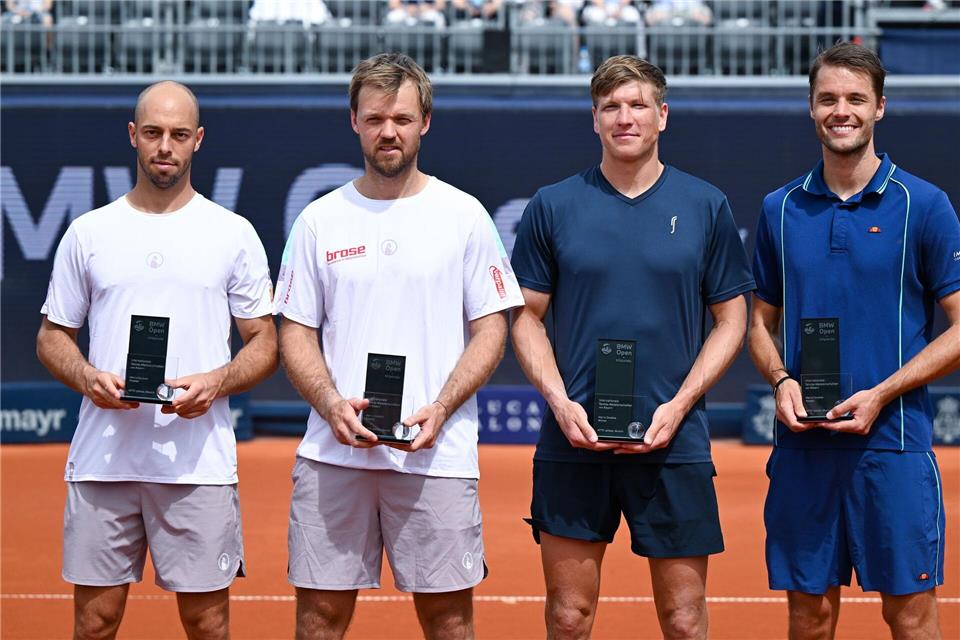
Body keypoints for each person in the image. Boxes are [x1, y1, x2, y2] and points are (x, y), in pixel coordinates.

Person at [274, 53, 523, 640]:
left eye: (403, 119)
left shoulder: (464, 216)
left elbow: (492, 328)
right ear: (354, 121)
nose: (389, 131)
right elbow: (295, 330)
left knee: (448, 621)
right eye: (376, 117)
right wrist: (330, 403)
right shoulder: (318, 220)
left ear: (425, 122)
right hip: (333, 456)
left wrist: (442, 407)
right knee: (319, 619)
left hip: (436, 454)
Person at [510, 55, 754, 639]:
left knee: (684, 619)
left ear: (662, 115)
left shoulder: (704, 204)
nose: (625, 118)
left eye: (638, 105)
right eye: (611, 107)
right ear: (594, 119)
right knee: (569, 617)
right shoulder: (553, 204)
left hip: (675, 441)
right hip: (574, 439)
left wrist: (680, 404)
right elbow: (523, 317)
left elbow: (732, 319)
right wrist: (559, 401)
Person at [35, 81, 278, 640]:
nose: (164, 146)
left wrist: (217, 381)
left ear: (197, 140)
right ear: (132, 137)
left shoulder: (232, 233)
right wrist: (87, 376)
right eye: (152, 133)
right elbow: (52, 337)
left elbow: (264, 341)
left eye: (177, 134)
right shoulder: (88, 232)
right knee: (94, 622)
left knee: (206, 622)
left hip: (198, 465)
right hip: (104, 459)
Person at [749, 42, 958, 640]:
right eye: (828, 99)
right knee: (808, 617)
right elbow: (759, 322)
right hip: (803, 447)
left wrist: (882, 392)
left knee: (910, 615)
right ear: (811, 109)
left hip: (893, 447)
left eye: (855, 99)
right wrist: (782, 381)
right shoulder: (778, 208)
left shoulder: (925, 205)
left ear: (880, 108)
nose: (842, 110)